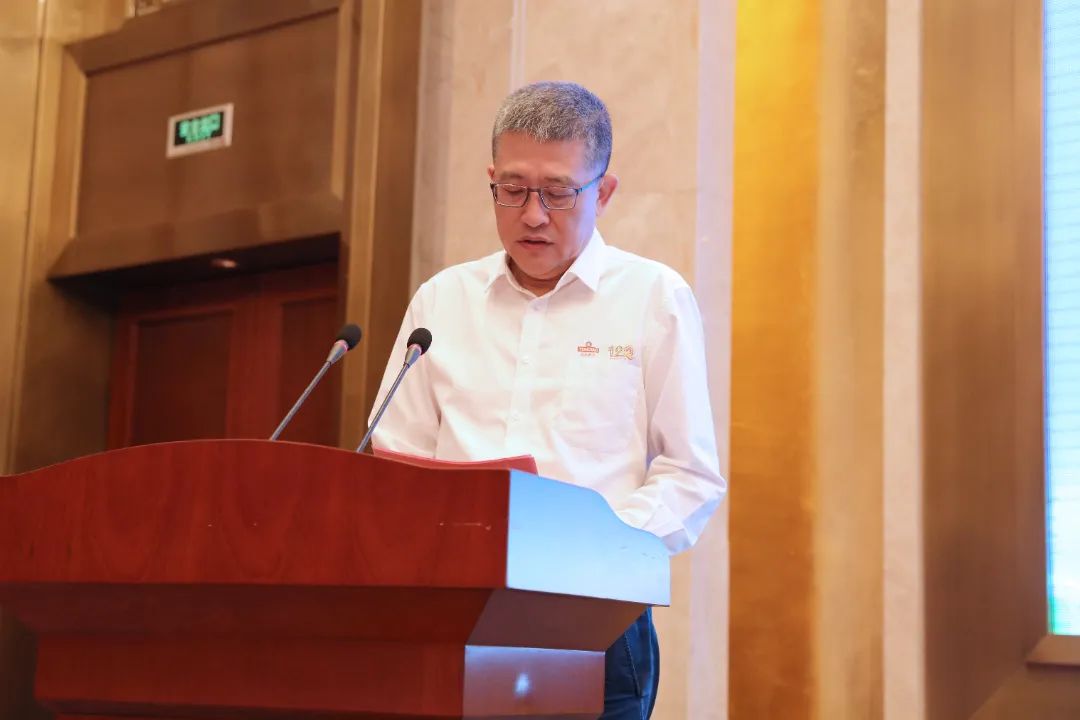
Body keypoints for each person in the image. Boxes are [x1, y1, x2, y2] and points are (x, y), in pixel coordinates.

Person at [368, 81, 725, 720]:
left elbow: (689, 474)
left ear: (603, 192)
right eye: (513, 189)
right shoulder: (441, 301)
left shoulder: (652, 297)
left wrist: (594, 545)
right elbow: (394, 460)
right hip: (451, 617)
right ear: (492, 181)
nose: (533, 215)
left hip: (595, 618)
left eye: (558, 193)